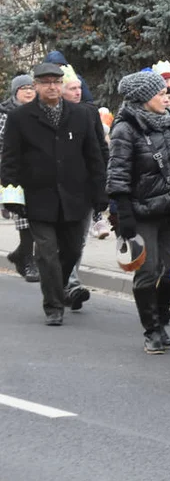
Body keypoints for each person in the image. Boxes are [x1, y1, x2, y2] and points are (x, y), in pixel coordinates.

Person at [0, 62, 107, 326]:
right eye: (45, 82)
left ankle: (55, 287)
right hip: (38, 198)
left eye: (56, 82)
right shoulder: (20, 118)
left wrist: (100, 193)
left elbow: (94, 157)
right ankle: (54, 305)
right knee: (47, 252)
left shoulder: (80, 115)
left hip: (74, 197)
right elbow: (9, 160)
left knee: (71, 249)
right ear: (35, 85)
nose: (51, 86)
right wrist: (11, 194)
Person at [108, 71, 170, 354]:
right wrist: (124, 214)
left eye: (167, 93)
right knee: (147, 271)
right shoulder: (125, 128)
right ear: (144, 98)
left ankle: (160, 315)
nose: (166, 97)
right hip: (143, 213)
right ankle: (152, 330)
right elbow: (117, 175)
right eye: (160, 93)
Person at [58, 64, 109, 311]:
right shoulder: (52, 113)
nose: (78, 92)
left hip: (84, 188)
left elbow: (99, 148)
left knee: (77, 241)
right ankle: (64, 284)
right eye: (72, 88)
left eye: (80, 87)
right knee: (60, 240)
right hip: (56, 190)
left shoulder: (89, 113)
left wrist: (102, 184)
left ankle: (69, 284)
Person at [1, 74, 40, 283]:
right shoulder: (5, 114)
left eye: (30, 88)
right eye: (23, 88)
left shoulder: (39, 112)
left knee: (33, 218)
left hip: (37, 173)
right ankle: (27, 260)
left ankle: (21, 254)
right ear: (15, 92)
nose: (28, 91)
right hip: (11, 174)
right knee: (23, 218)